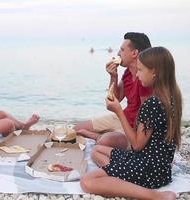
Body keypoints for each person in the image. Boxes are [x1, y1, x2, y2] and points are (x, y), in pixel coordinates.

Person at [80, 47, 182, 200]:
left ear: (155, 72)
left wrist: (119, 112)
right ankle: (123, 178)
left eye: (140, 70)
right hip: (160, 167)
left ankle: (154, 196)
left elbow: (136, 145)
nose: (138, 74)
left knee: (87, 181)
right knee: (97, 150)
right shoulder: (171, 97)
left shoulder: (152, 103)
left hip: (149, 169)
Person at [74, 32, 153, 150]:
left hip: (132, 127)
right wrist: (113, 76)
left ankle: (98, 137)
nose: (117, 53)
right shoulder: (127, 72)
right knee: (77, 129)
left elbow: (145, 117)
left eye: (121, 50)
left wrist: (126, 131)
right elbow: (116, 97)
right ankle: (102, 136)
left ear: (134, 53)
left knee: (106, 141)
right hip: (122, 117)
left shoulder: (145, 80)